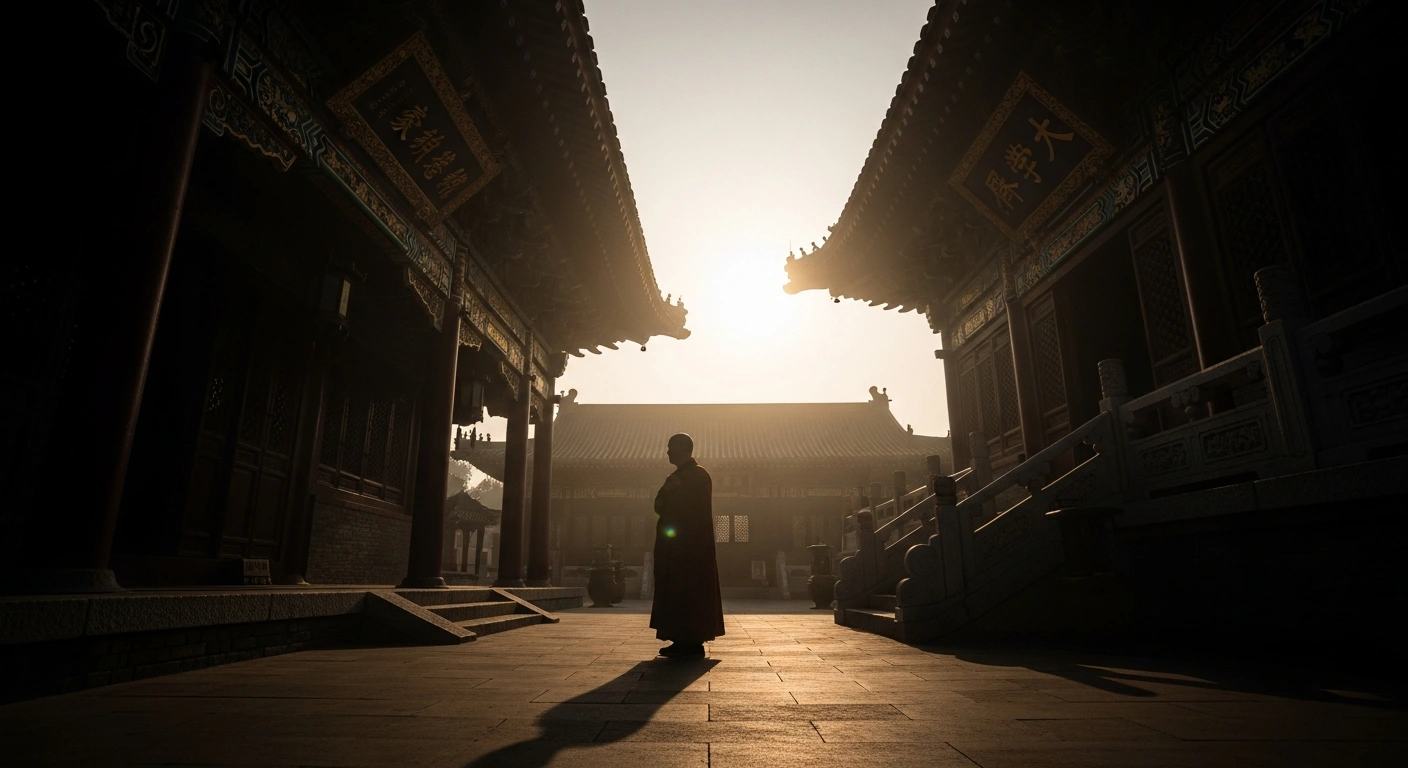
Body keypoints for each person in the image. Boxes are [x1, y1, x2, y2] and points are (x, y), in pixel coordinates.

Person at [650, 433, 725, 657]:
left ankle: (693, 640)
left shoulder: (698, 475)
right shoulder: (675, 476)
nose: (667, 452)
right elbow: (658, 504)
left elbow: (691, 508)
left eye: (671, 447)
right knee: (675, 589)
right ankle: (680, 639)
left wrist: (673, 493)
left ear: (683, 448)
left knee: (690, 590)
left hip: (691, 546)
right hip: (674, 545)